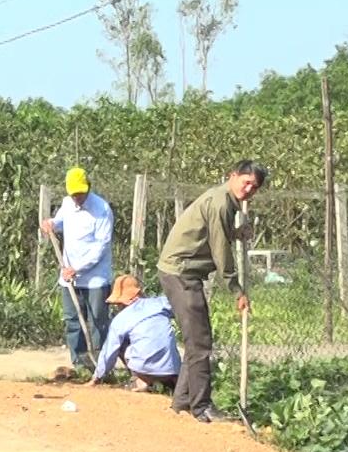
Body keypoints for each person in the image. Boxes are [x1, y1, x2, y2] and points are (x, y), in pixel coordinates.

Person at [156, 160, 269, 423]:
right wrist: (237, 290)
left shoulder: (226, 201)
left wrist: (237, 232)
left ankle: (182, 401)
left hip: (183, 271)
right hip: (181, 272)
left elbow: (216, 233)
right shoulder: (220, 202)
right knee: (200, 342)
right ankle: (202, 406)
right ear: (233, 176)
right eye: (246, 181)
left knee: (197, 340)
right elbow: (220, 251)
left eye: (255, 186)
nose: (250, 189)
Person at [40, 167, 115, 369]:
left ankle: (101, 365)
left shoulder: (102, 210)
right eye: (73, 194)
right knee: (73, 320)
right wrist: (51, 224)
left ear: (88, 187)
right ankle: (79, 364)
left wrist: (78, 268)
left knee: (98, 321)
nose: (77, 197)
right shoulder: (67, 204)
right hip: (69, 276)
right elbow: (60, 223)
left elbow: (101, 247)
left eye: (80, 193)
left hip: (95, 278)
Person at [89, 275, 180, 392]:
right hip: (171, 368)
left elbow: (109, 351)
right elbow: (180, 306)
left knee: (121, 343)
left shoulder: (121, 319)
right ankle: (173, 382)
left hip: (144, 368)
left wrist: (97, 377)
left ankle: (142, 379)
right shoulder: (160, 304)